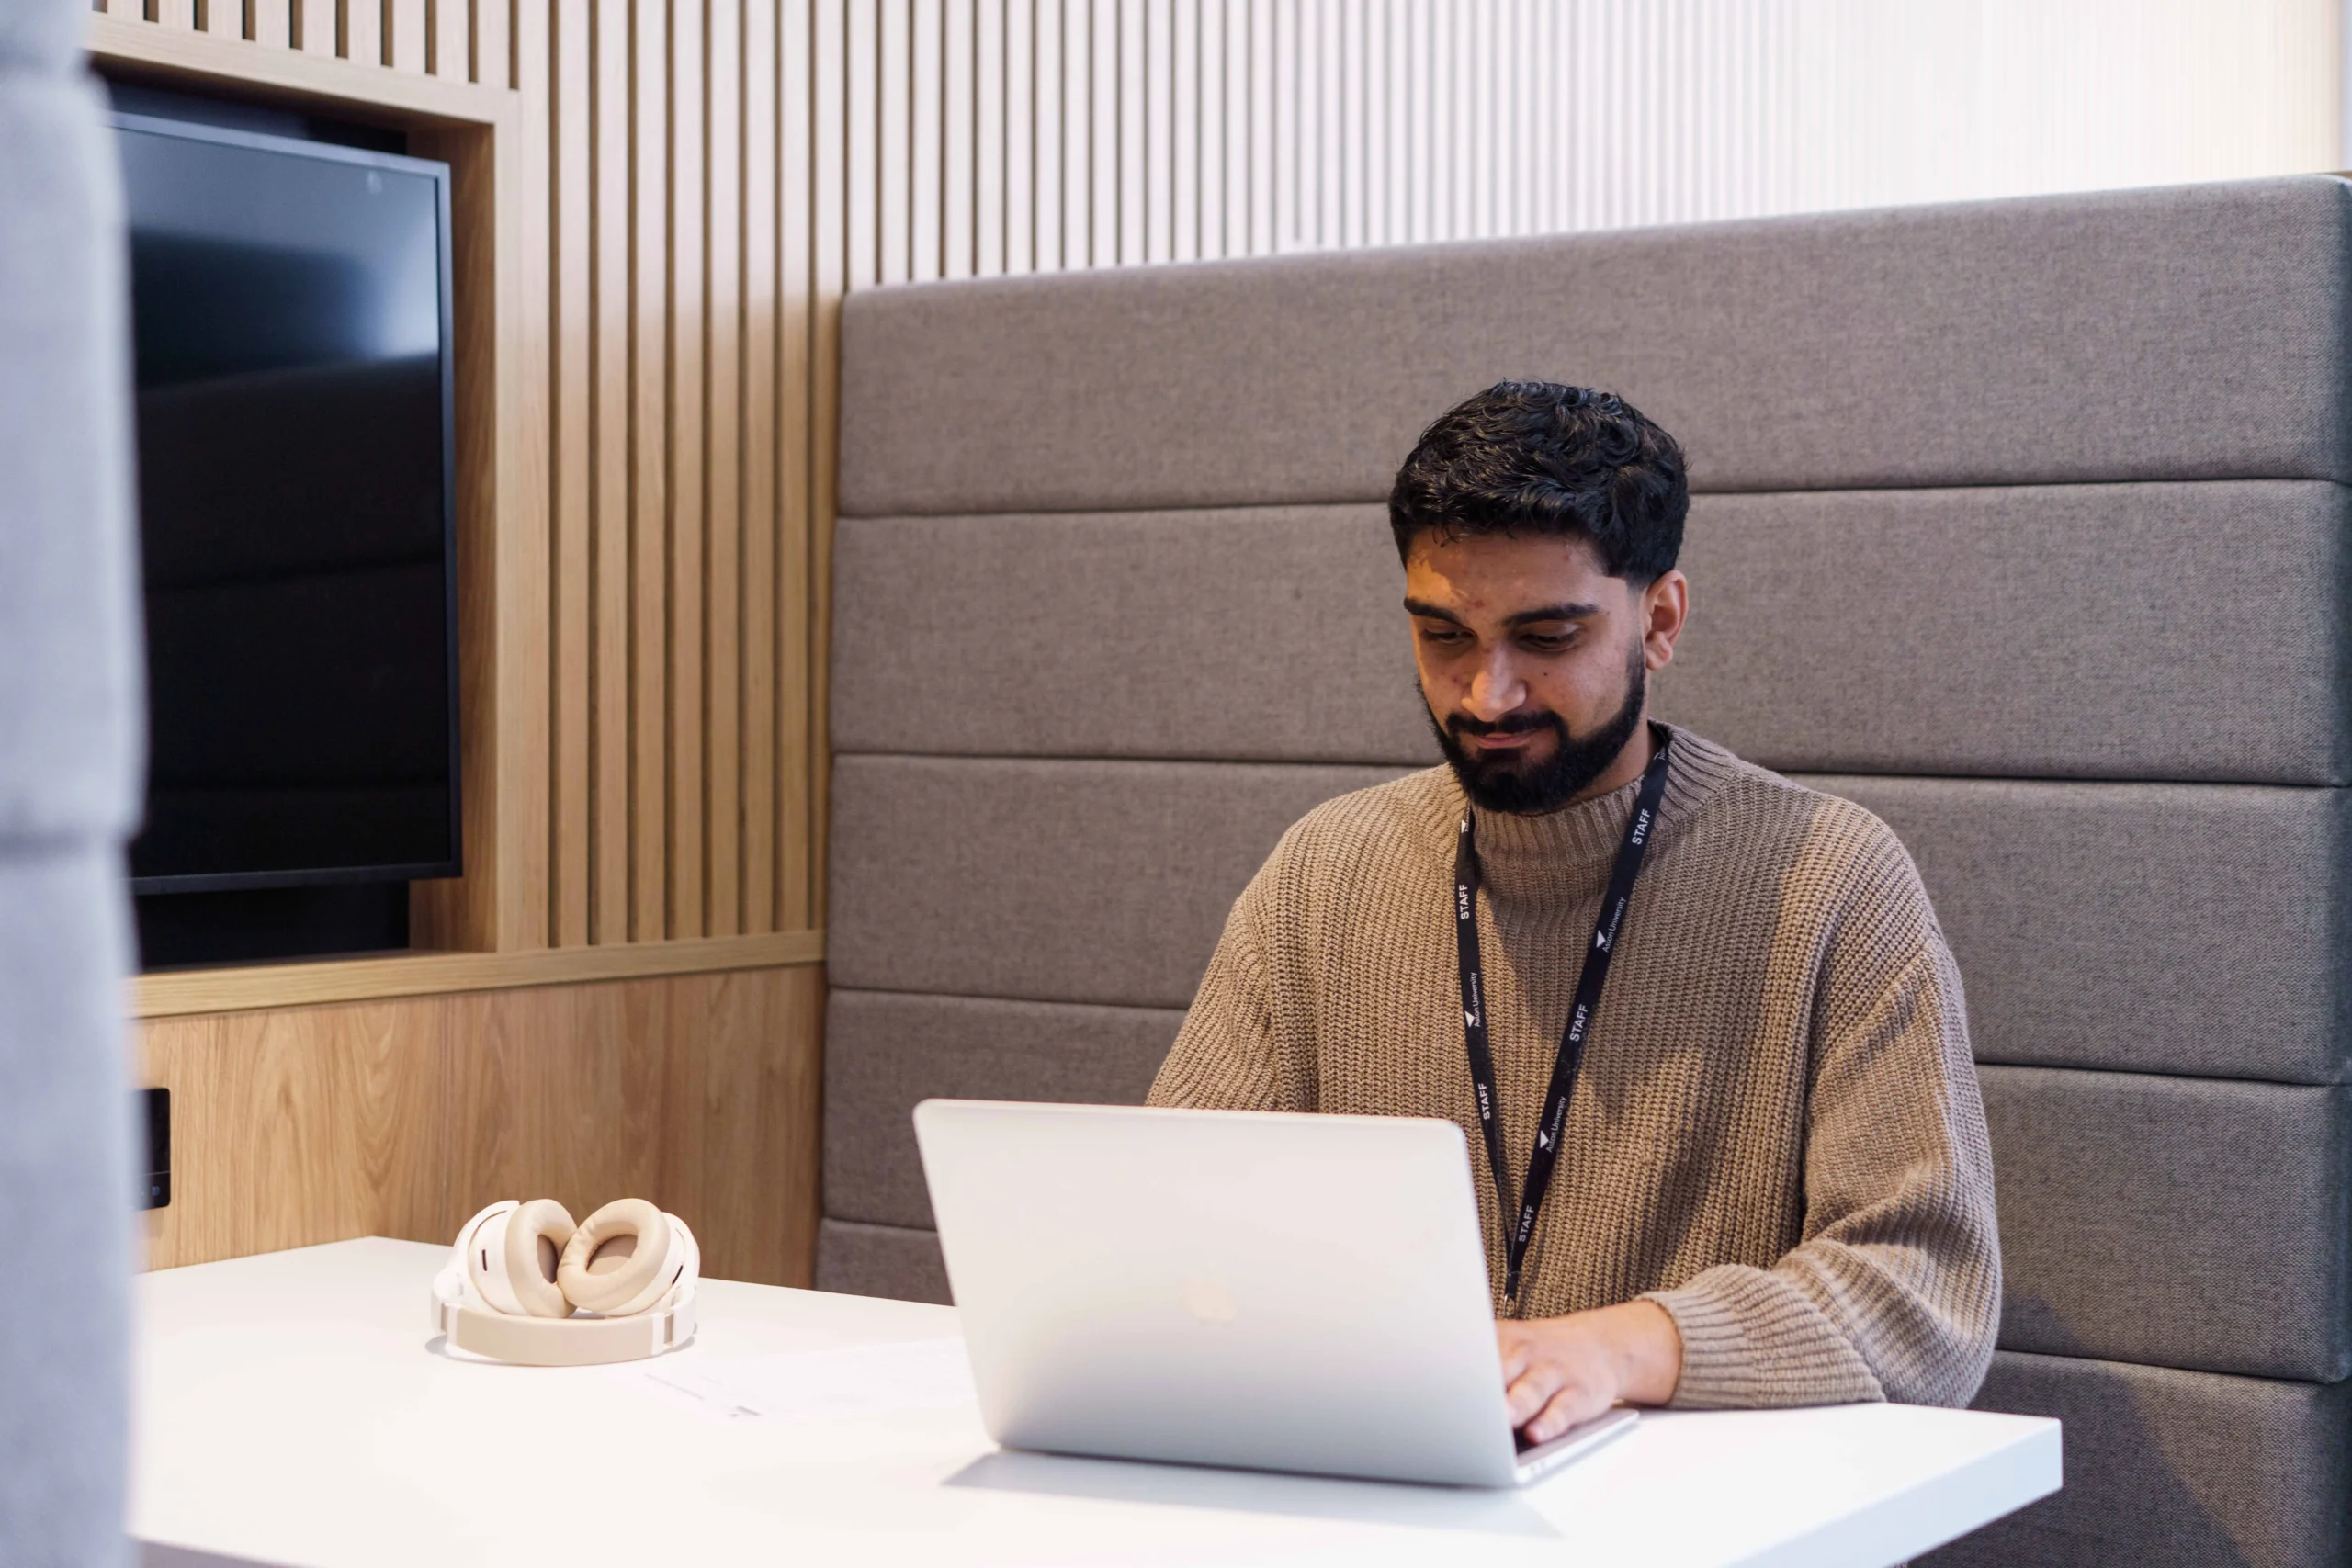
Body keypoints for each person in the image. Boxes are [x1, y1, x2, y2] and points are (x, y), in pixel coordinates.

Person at [1148, 381, 1999, 1447]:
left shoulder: (1829, 881)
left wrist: (1615, 1352)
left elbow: (1924, 1297)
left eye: (1546, 636)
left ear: (1659, 621)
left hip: (1698, 1504)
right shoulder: (1323, 871)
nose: (1485, 695)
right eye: (1442, 635)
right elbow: (1168, 1222)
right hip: (1377, 1474)